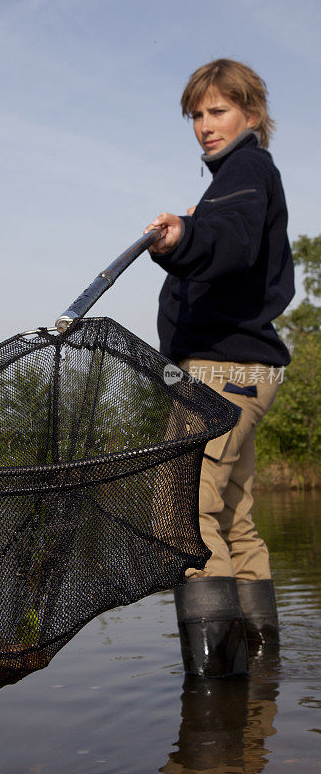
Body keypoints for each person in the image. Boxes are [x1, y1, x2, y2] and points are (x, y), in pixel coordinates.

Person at [146, 59, 294, 677]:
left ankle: (213, 689)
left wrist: (186, 239)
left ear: (250, 116)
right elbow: (229, 236)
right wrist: (191, 234)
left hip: (220, 377)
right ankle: (259, 677)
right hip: (245, 377)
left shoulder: (245, 169)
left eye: (218, 111)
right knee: (232, 516)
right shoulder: (241, 176)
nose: (206, 126)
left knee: (183, 513)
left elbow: (229, 241)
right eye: (197, 115)